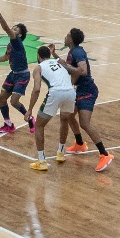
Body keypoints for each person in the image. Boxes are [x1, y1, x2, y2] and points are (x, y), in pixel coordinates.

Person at [58, 28, 112, 170]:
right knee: (68, 115)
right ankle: (80, 144)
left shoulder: (78, 52)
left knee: (84, 123)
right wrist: (55, 55)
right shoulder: (72, 51)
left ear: (71, 39)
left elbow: (83, 70)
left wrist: (68, 71)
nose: (65, 36)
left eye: (67, 35)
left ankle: (104, 154)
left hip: (87, 90)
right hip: (78, 90)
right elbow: (70, 68)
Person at [24, 43, 77, 171]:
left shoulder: (39, 67)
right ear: (49, 55)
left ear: (38, 56)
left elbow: (36, 89)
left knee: (39, 126)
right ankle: (60, 153)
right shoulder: (59, 62)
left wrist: (30, 109)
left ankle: (42, 161)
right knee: (64, 120)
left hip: (56, 92)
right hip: (71, 91)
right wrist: (54, 52)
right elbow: (67, 66)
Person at [0, 4, 32, 135]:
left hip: (22, 75)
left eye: (15, 28)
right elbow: (6, 57)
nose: (13, 28)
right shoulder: (10, 44)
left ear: (20, 34)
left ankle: (30, 118)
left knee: (14, 102)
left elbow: (5, 28)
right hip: (13, 74)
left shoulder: (16, 41)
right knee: (1, 99)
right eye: (13, 27)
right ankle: (8, 124)